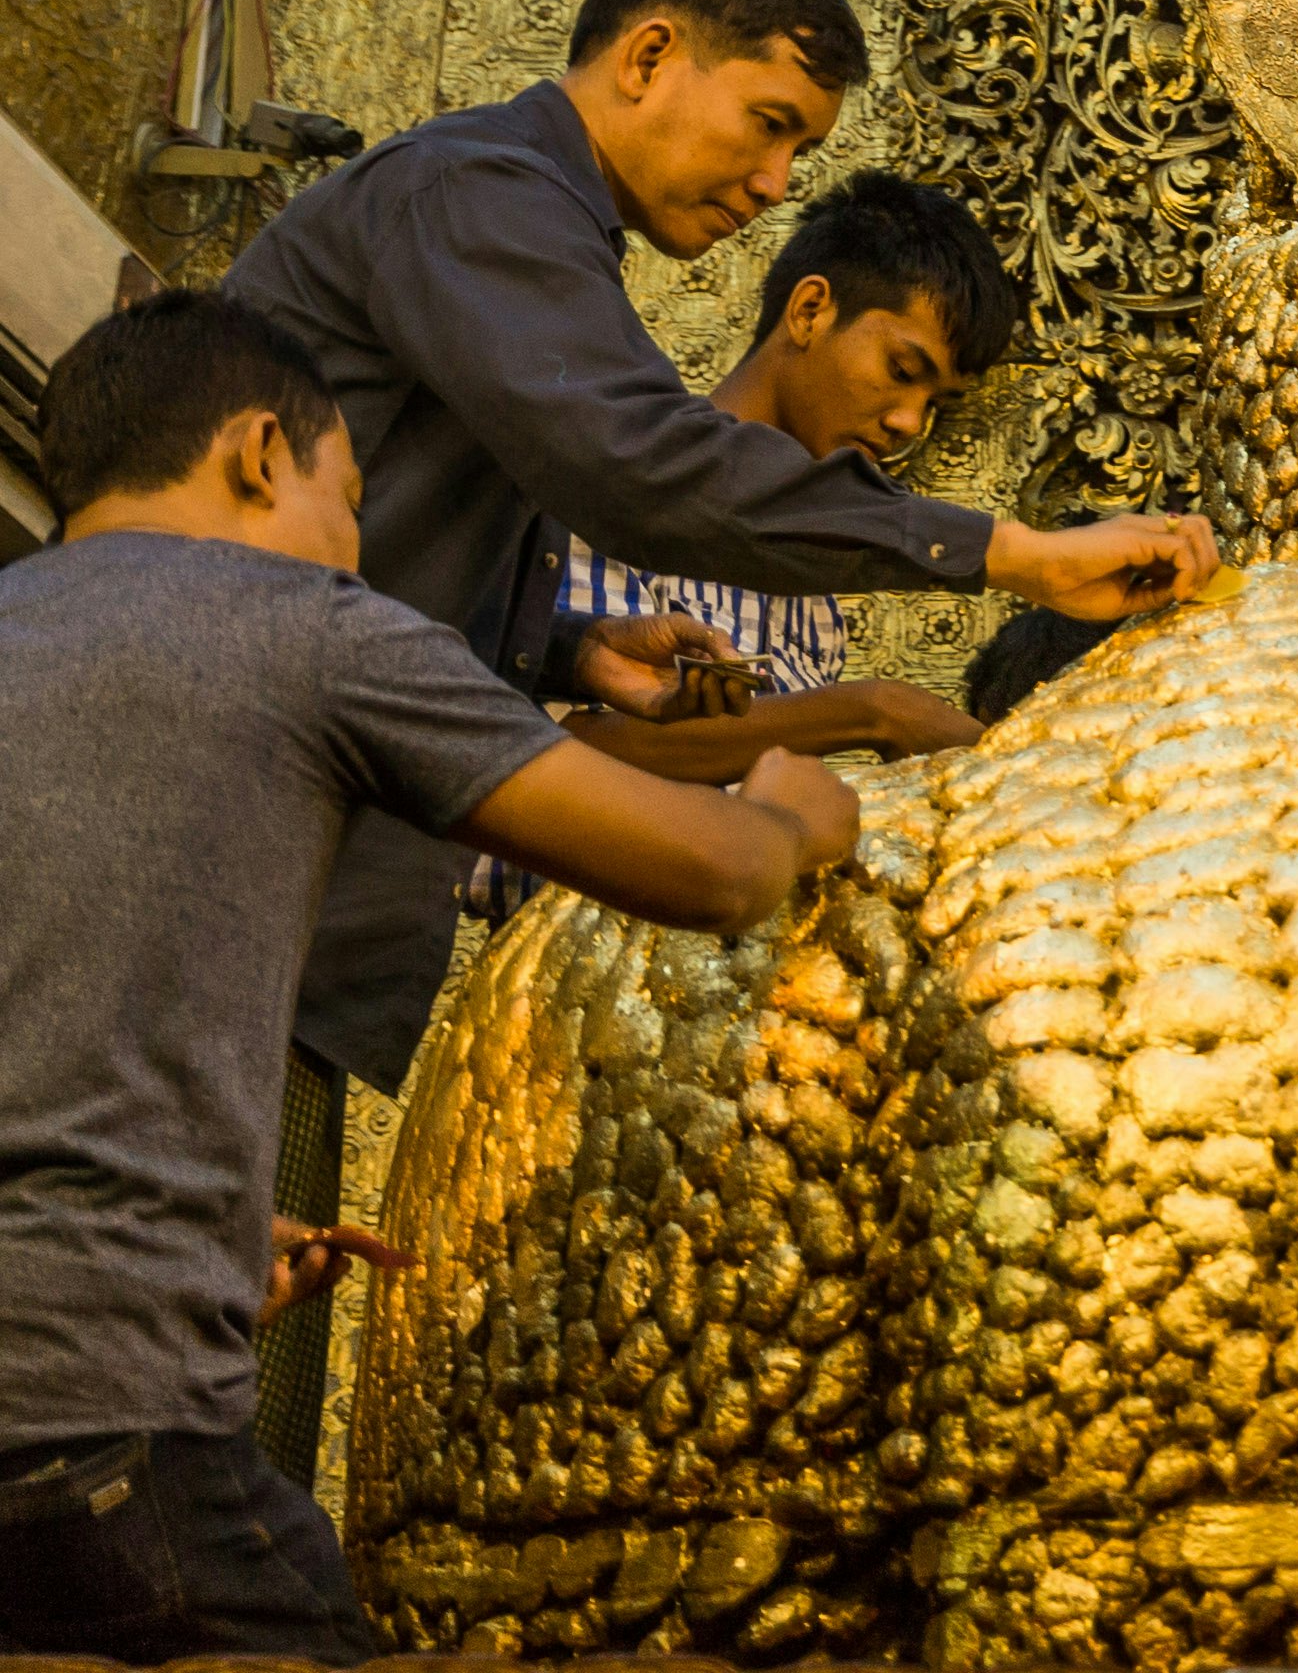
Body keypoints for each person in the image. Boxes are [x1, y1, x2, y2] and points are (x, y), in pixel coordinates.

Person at [220, 0, 1215, 1104]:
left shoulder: (536, 232)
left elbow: (396, 571)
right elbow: (643, 470)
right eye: (769, 125)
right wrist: (1009, 557)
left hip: (298, 911)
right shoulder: (478, 194)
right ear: (647, 59)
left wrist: (569, 644)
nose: (773, 184)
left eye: (797, 153)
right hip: (228, 861)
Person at [0, 297, 858, 1665]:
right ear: (261, 454)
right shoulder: (308, 627)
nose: (354, 550)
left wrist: (196, 1248)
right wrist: (799, 806)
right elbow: (715, 876)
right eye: (349, 506)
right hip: (101, 1426)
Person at [462, 178, 1011, 919]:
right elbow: (547, 762)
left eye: (936, 404)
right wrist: (872, 712)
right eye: (902, 372)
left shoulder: (812, 609)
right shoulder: (613, 488)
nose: (910, 421)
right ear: (810, 310)